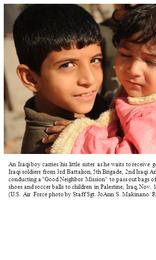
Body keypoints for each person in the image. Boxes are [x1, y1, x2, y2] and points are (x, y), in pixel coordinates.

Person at [51, 4, 156, 154]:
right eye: (125, 54)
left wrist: (80, 137)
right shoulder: (149, 99)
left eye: (151, 61)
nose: (133, 70)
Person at [13, 4, 107, 154]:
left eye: (95, 60)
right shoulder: (52, 148)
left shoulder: (99, 105)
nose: (89, 79)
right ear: (30, 78)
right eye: (67, 65)